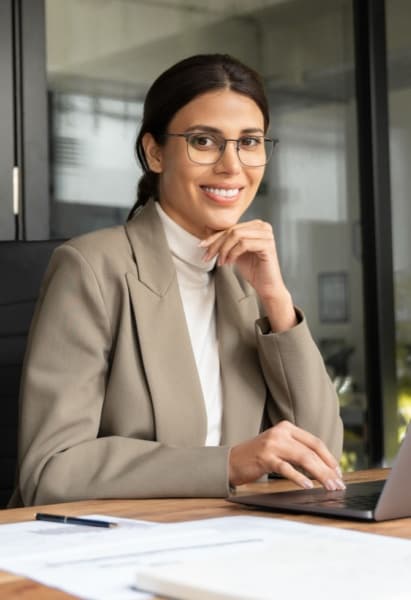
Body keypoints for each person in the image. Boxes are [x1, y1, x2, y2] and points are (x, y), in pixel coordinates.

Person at [11, 53, 344, 507]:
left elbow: (320, 462)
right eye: (204, 141)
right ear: (155, 152)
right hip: (115, 549)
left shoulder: (249, 279)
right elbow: (51, 470)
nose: (232, 166)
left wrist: (275, 299)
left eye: (249, 142)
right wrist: (226, 464)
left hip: (232, 544)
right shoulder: (92, 268)